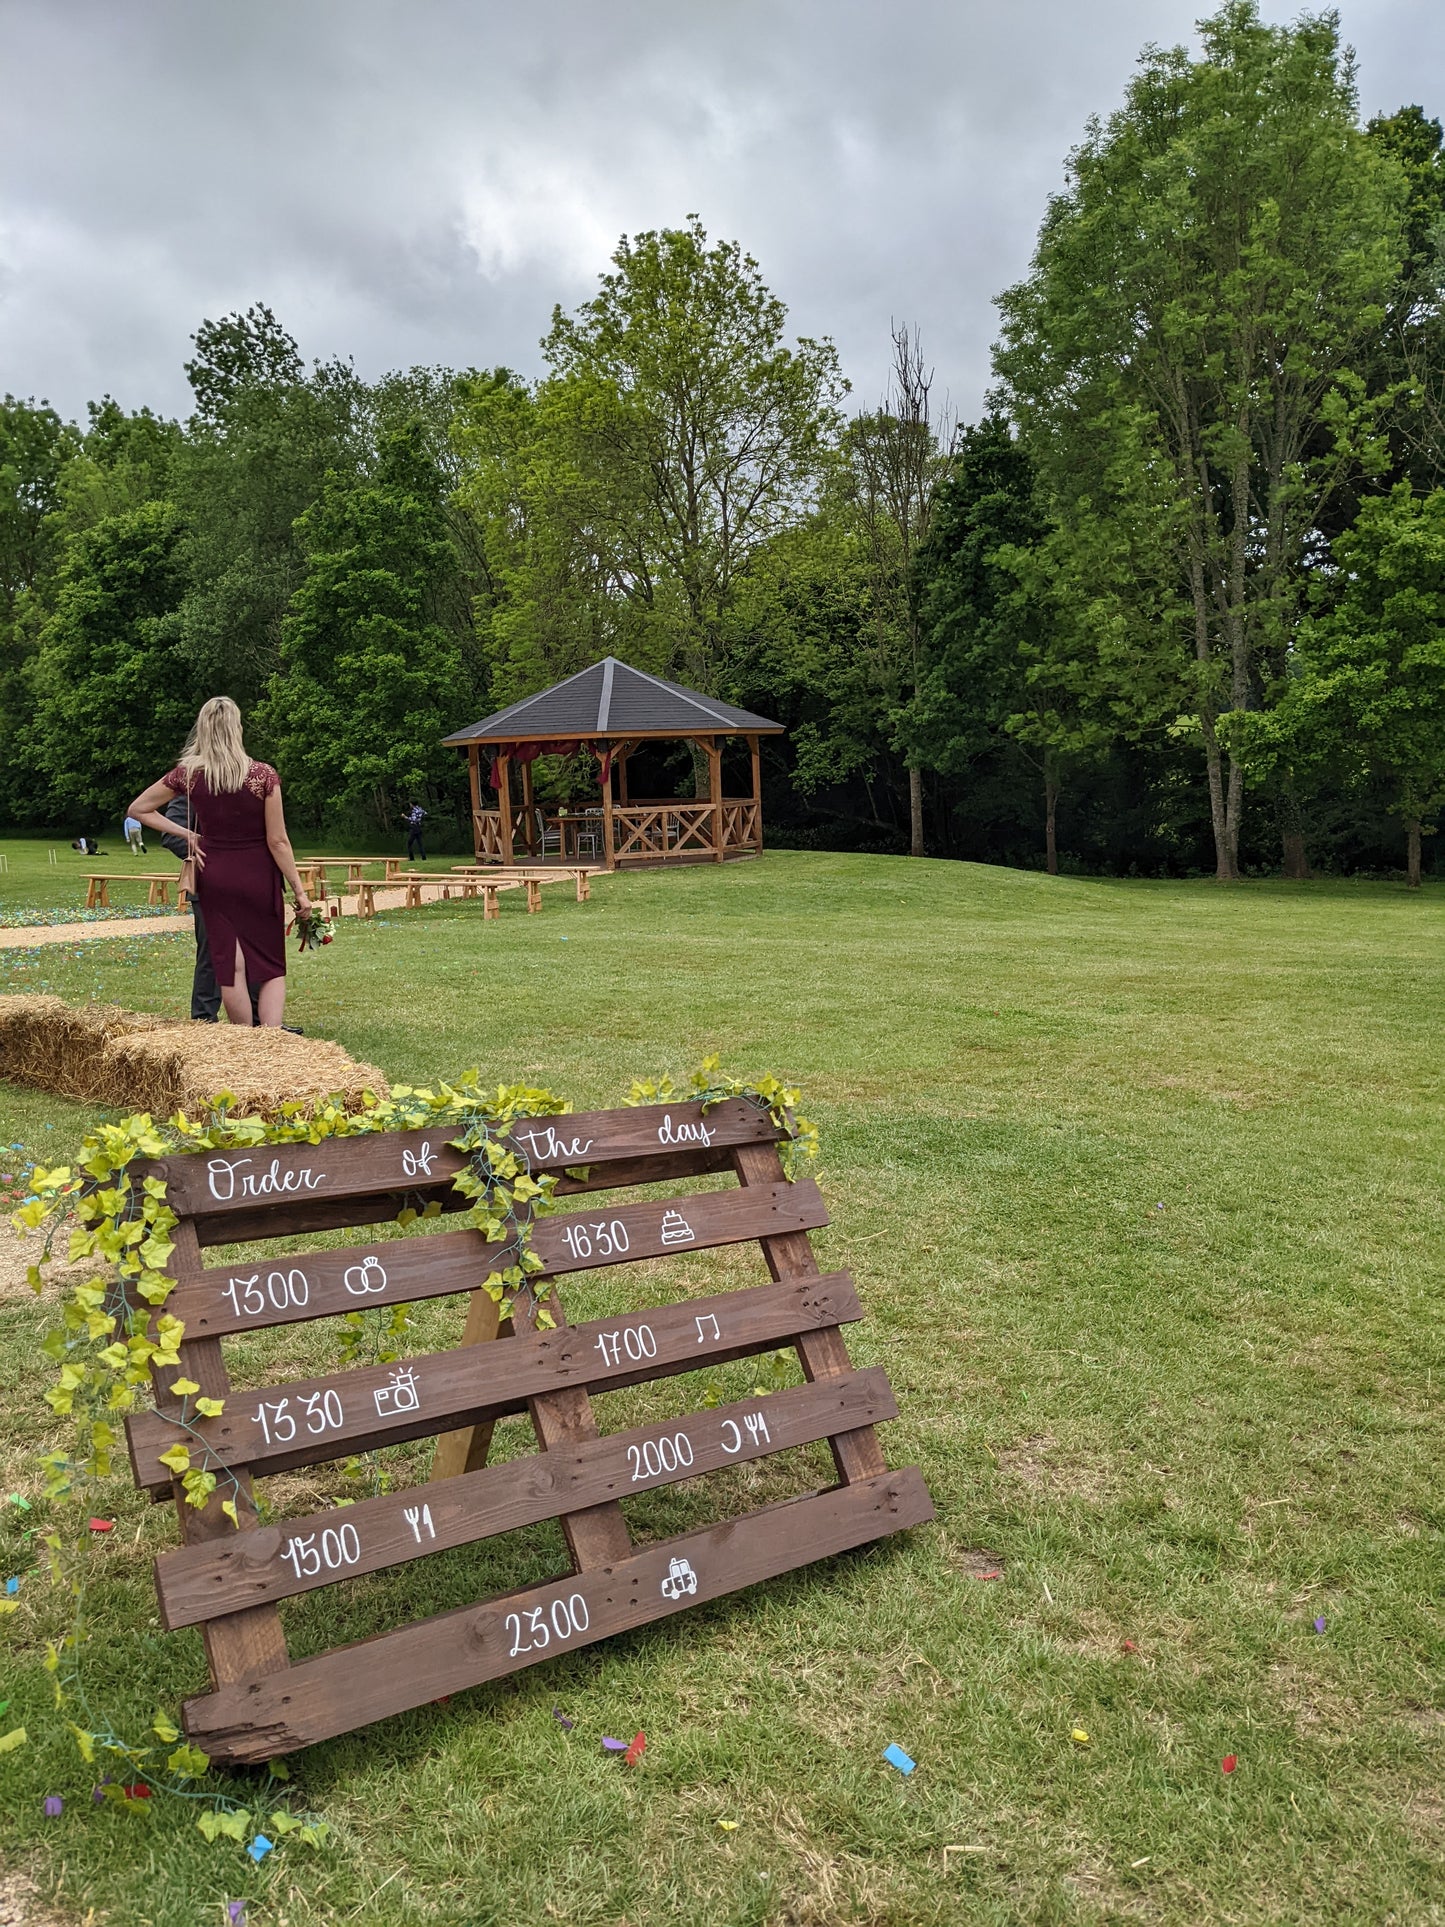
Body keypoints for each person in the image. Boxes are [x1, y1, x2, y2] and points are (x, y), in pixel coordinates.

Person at [127, 696, 313, 1028]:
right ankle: (270, 1041)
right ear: (237, 729)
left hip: (215, 876)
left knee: (230, 968)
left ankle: (241, 1042)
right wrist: (300, 892)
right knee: (269, 965)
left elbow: (138, 809)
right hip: (258, 876)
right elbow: (278, 840)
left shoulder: (190, 775)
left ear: (204, 730)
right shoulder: (263, 776)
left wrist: (188, 835)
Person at [158, 792, 261, 1025]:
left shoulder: (247, 786)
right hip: (209, 886)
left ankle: (261, 1022)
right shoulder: (191, 789)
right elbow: (171, 834)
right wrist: (207, 853)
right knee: (213, 955)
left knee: (256, 953)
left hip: (251, 885)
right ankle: (203, 1020)